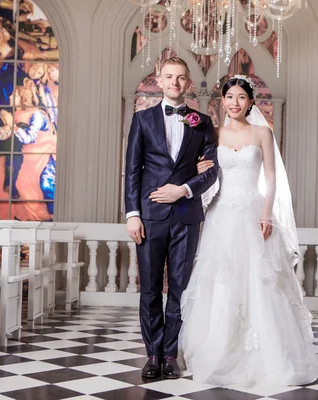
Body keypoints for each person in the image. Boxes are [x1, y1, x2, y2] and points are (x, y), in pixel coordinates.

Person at [178, 76, 318, 387]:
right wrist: (199, 169)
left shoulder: (262, 133)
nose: (234, 103)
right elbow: (198, 170)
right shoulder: (213, 134)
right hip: (221, 214)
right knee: (222, 280)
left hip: (253, 211)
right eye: (229, 97)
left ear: (250, 102)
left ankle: (269, 357)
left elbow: (271, 177)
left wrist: (267, 213)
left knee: (260, 282)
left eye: (241, 97)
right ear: (222, 101)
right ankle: (218, 351)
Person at [124, 57, 219, 380]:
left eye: (181, 78)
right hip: (149, 216)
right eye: (169, 77)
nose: (175, 83)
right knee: (150, 288)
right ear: (159, 81)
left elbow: (210, 171)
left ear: (188, 83)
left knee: (181, 288)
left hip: (186, 215)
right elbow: (132, 171)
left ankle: (170, 354)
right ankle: (152, 353)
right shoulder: (142, 119)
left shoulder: (203, 122)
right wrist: (132, 214)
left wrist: (183, 190)